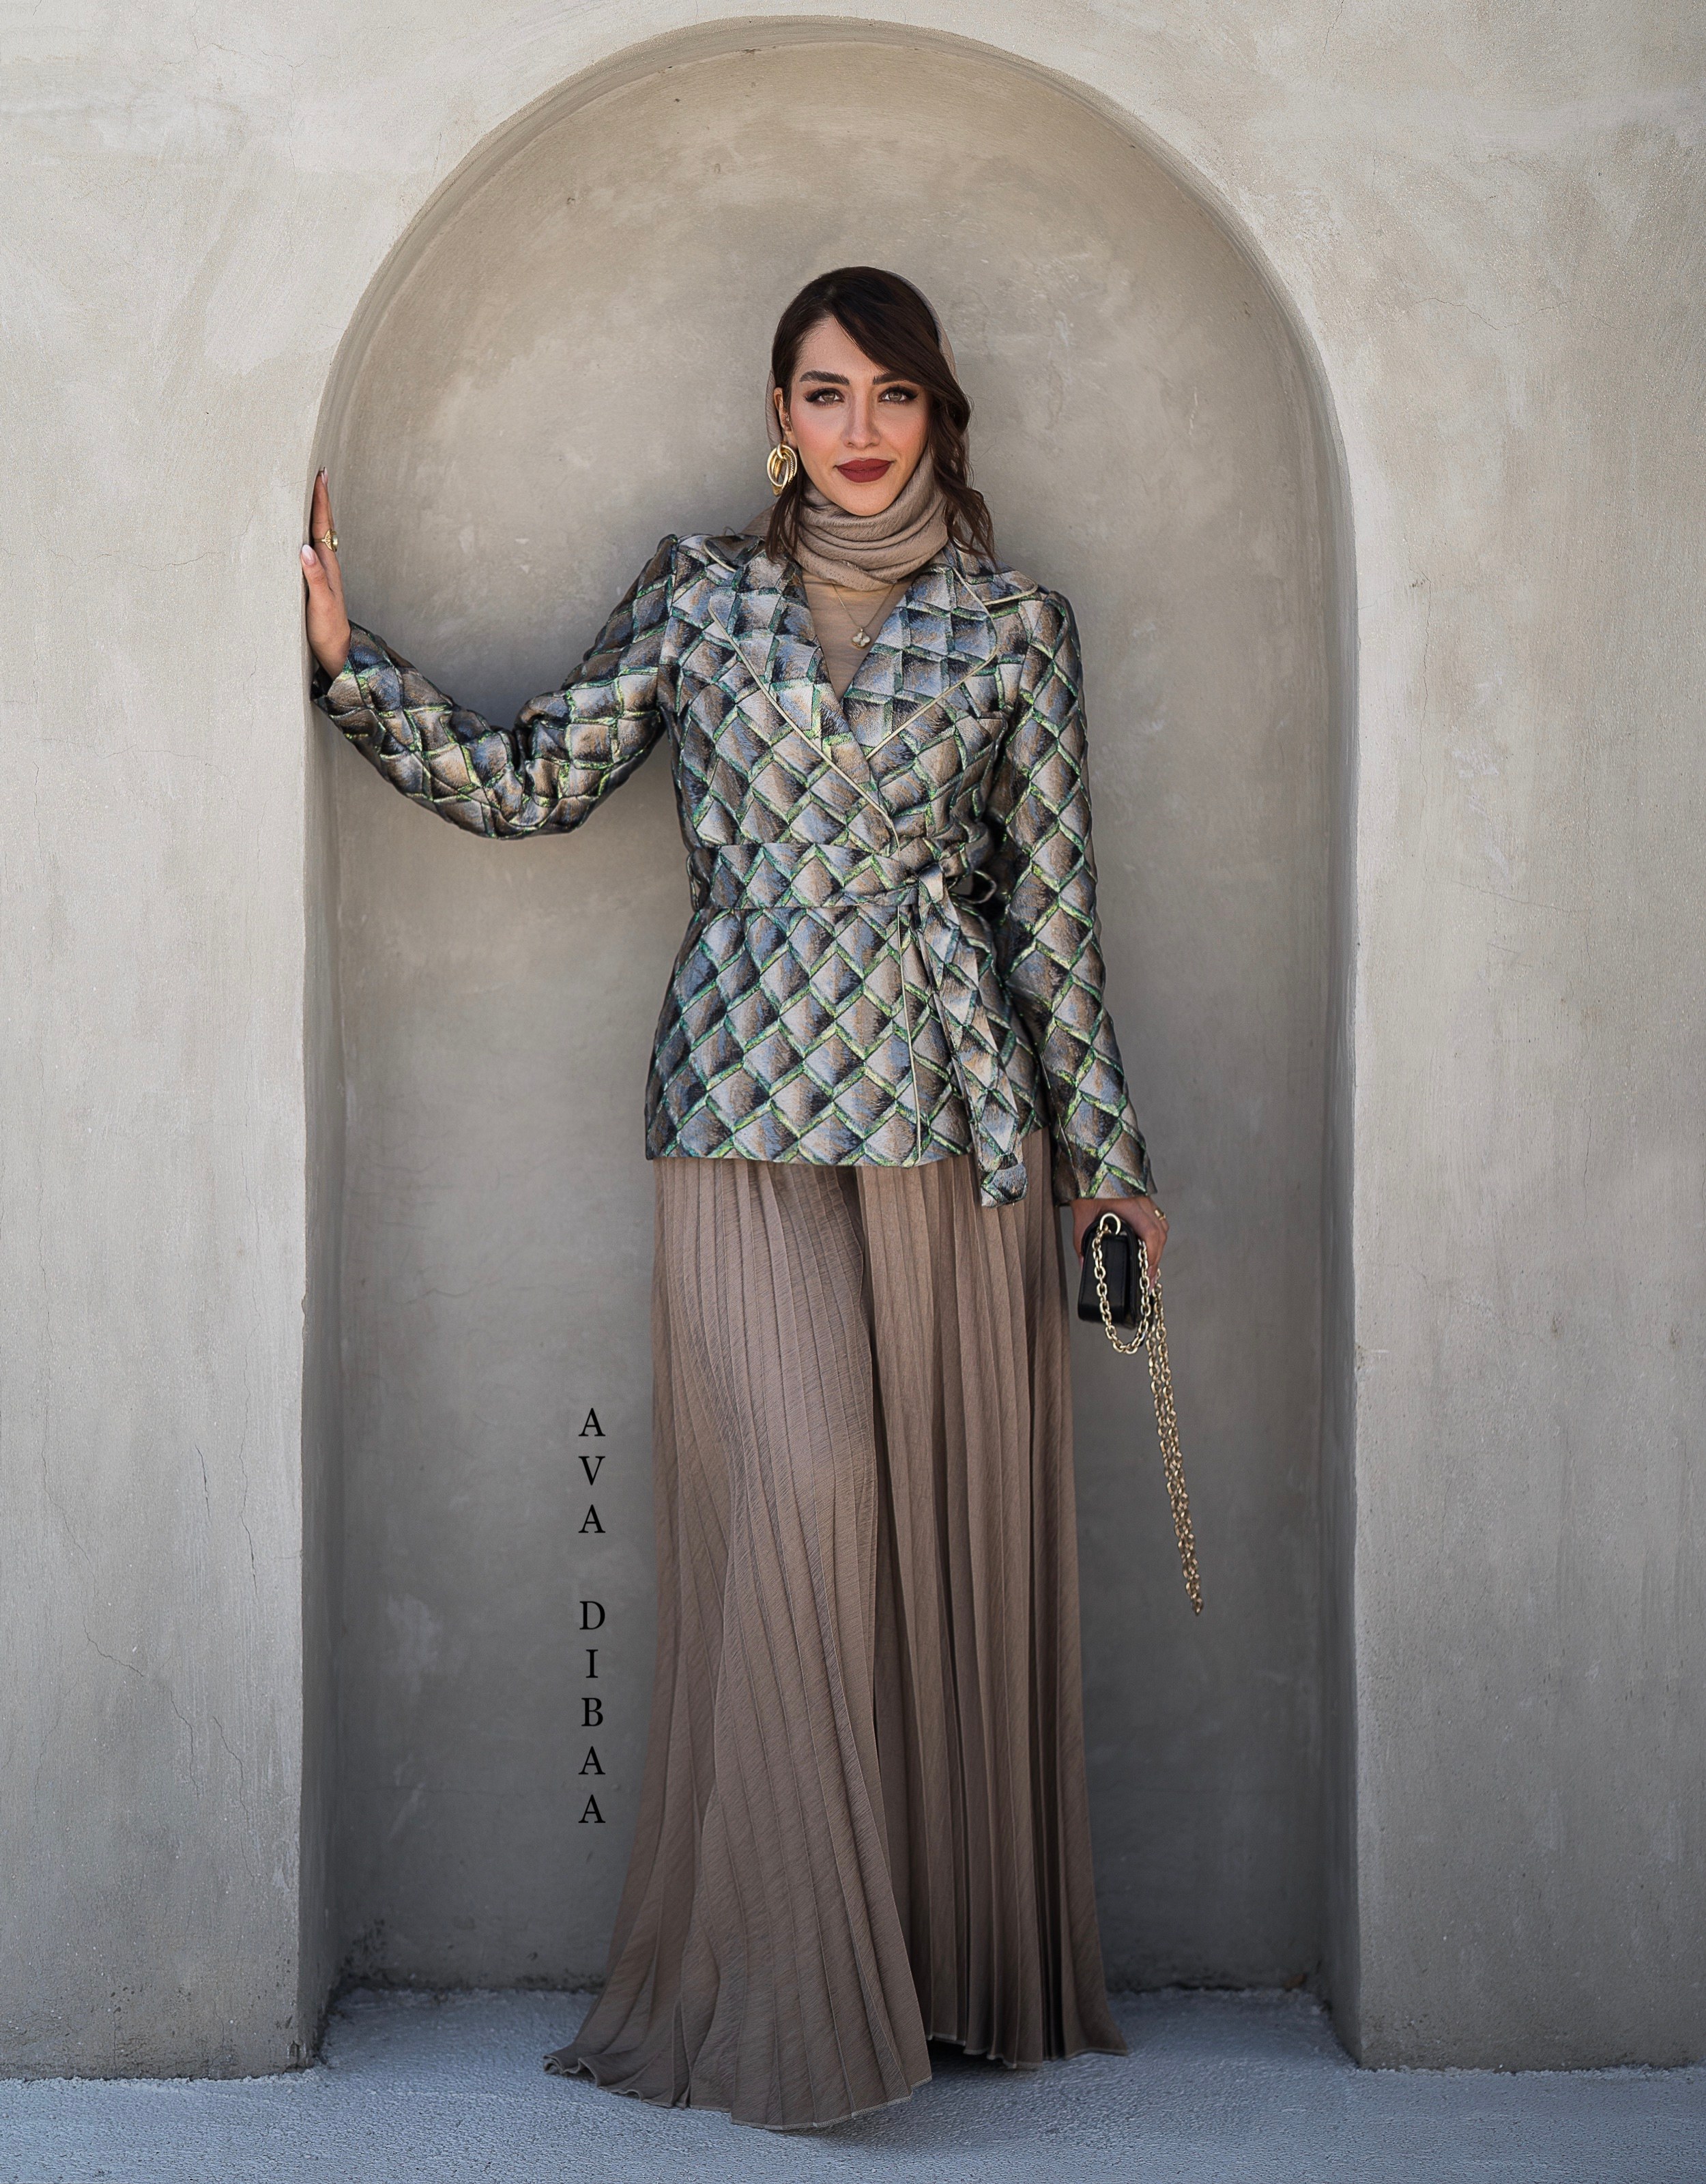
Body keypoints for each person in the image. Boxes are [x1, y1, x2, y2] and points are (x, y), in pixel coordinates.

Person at [301, 265, 1168, 2134]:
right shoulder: (700, 595)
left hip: (949, 1122)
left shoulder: (1015, 625)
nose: (860, 429)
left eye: (893, 395)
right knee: (803, 1502)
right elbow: (538, 782)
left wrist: (1108, 1169)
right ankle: (790, 1996)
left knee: (930, 1548)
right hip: (739, 1105)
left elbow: (1053, 922)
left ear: (938, 415)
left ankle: (932, 1971)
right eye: (825, 393)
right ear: (778, 416)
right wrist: (349, 664)